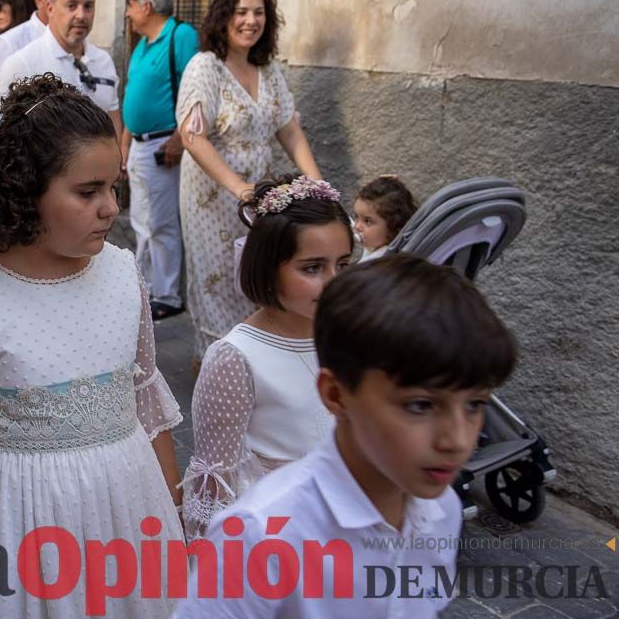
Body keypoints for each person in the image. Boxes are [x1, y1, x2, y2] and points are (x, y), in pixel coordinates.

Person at [0, 74, 183, 616]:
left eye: (113, 187)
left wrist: (175, 510)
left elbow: (146, 403)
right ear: (24, 189)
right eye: (87, 192)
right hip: (13, 534)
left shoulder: (123, 273)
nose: (111, 208)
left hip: (125, 514)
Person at [174, 255, 518, 617]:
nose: (457, 440)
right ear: (336, 395)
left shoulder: (440, 509)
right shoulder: (261, 536)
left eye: (475, 404)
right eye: (420, 405)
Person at [181, 175, 352, 542]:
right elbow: (216, 479)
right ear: (268, 267)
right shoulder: (236, 358)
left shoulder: (349, 336)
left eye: (344, 264)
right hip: (284, 535)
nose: (334, 282)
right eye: (312, 268)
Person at [177, 0, 322, 365]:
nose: (250, 20)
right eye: (241, 12)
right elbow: (193, 137)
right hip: (212, 199)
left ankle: (253, 364)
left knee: (253, 280)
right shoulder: (204, 67)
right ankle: (215, 368)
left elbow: (289, 130)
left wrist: (316, 184)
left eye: (258, 12)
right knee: (217, 281)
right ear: (224, 18)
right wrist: (238, 187)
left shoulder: (269, 69)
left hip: (260, 200)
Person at [122, 0, 199, 321]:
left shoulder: (180, 36)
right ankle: (146, 289)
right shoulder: (142, 45)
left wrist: (180, 140)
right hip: (138, 145)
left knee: (162, 223)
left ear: (146, 6)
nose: (127, 12)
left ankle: (167, 294)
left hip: (163, 145)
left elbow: (194, 90)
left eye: (130, 3)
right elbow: (132, 100)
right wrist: (123, 147)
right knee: (142, 221)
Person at [0, 0, 123, 137]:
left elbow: (112, 117)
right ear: (50, 8)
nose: (81, 15)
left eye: (88, 6)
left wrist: (116, 160)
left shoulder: (104, 61)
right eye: (71, 6)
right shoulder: (22, 62)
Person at [353, 175, 417, 262]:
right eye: (356, 217)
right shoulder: (375, 244)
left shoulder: (379, 263)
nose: (357, 226)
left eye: (367, 221)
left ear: (393, 226)